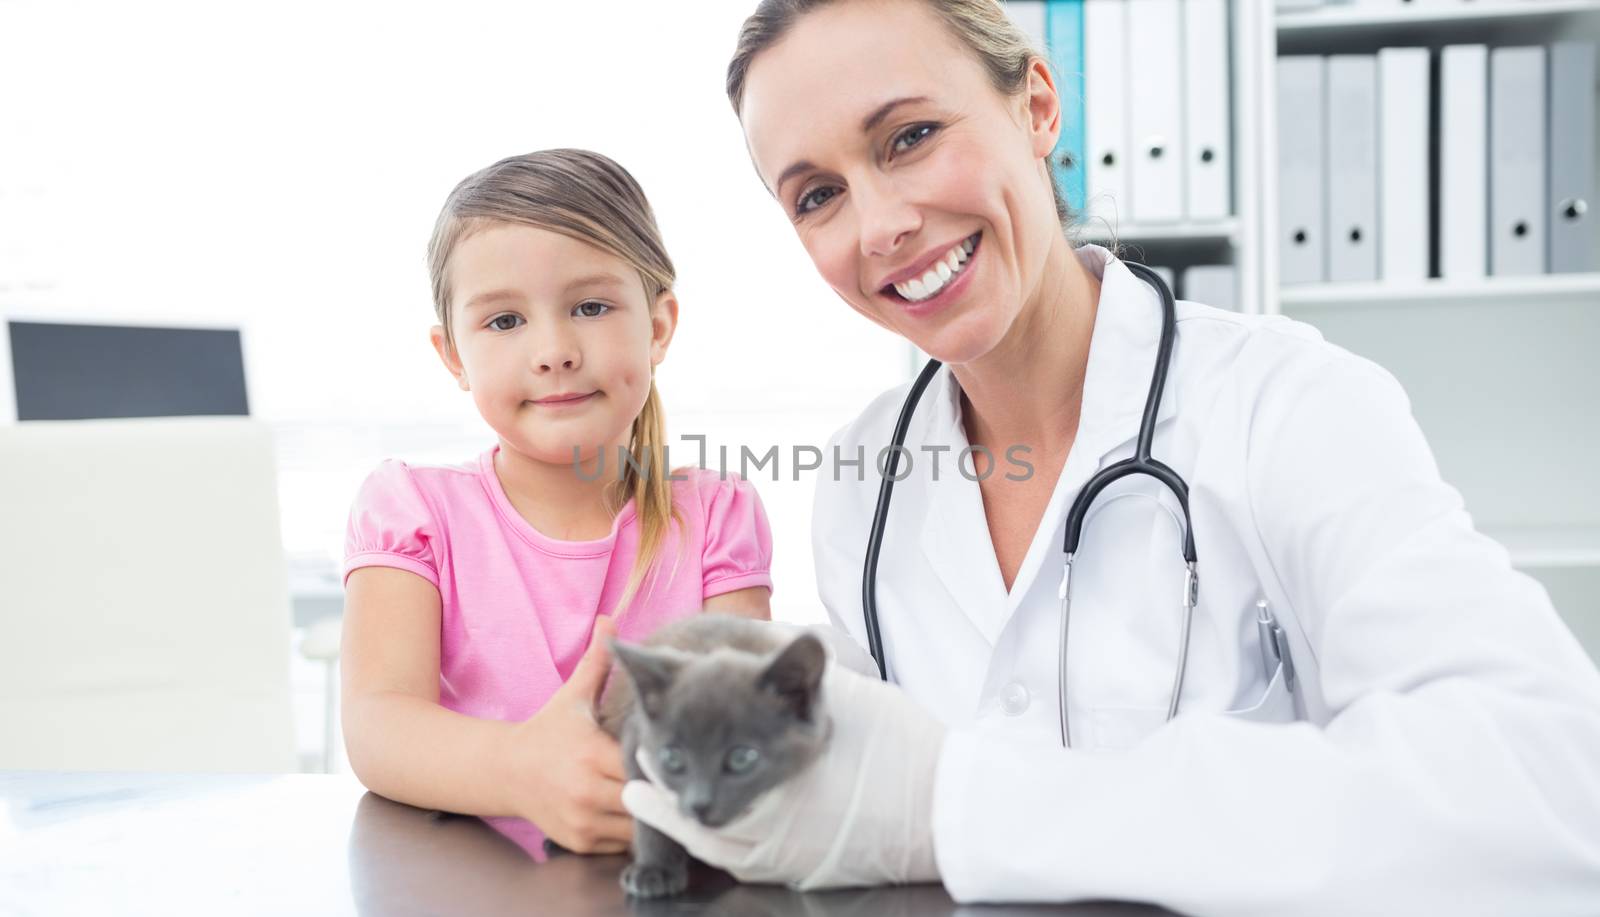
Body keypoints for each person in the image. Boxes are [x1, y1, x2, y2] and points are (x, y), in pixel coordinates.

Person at [619, 2, 1600, 913]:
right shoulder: (860, 479)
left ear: (1036, 106)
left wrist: (957, 804)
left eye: (910, 137)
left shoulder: (1288, 405)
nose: (879, 226)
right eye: (818, 194)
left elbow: (1547, 784)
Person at [340, 149, 774, 858]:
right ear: (453, 355)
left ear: (658, 325)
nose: (553, 350)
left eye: (591, 306)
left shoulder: (718, 515)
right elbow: (376, 725)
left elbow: (743, 724)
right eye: (505, 321)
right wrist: (521, 771)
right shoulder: (412, 508)